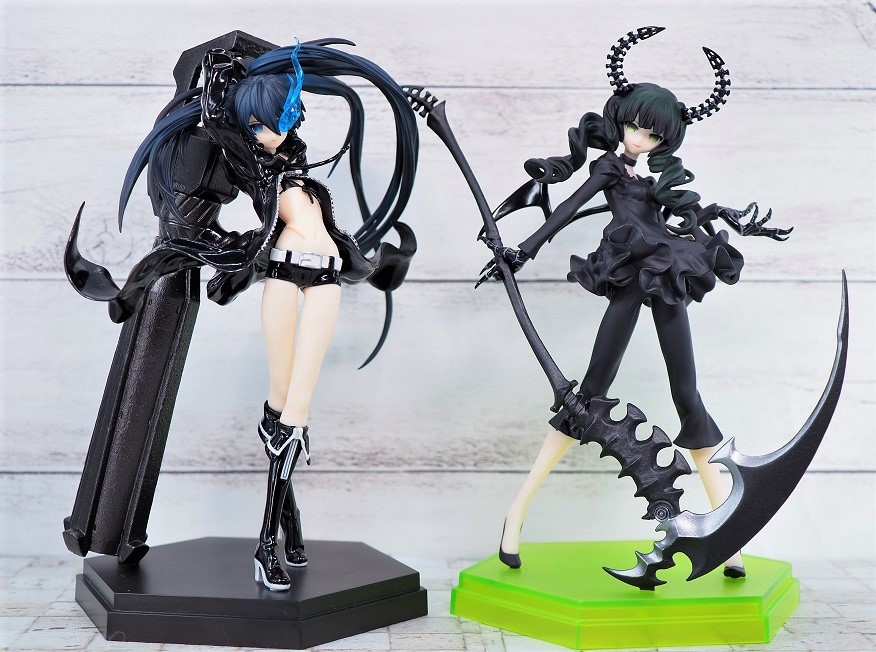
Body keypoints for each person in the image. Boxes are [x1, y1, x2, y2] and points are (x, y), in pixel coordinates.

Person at [66, 38, 419, 591]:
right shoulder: (253, 164)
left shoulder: (295, 160)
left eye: (282, 119)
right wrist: (215, 86)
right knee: (283, 406)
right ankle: (271, 542)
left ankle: (281, 532)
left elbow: (328, 220)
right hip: (283, 276)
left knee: (296, 408)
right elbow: (220, 125)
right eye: (260, 124)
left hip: (326, 278)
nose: (273, 132)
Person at [485, 27, 791, 579]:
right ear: (620, 119)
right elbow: (565, 209)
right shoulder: (608, 167)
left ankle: (727, 533)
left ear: (665, 139)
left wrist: (732, 219)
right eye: (634, 128)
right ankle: (516, 512)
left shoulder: (659, 175)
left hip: (667, 270)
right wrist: (521, 251)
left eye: (652, 135)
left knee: (688, 395)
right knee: (588, 394)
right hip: (630, 275)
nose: (639, 139)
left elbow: (688, 215)